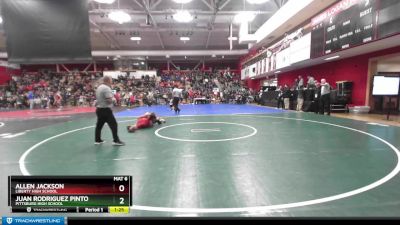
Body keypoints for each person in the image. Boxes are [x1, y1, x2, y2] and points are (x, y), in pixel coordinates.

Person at [94, 76, 125, 146]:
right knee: (114, 125)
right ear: (108, 81)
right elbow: (108, 100)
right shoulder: (106, 88)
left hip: (99, 109)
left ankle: (97, 140)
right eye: (111, 80)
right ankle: (116, 140)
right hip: (105, 110)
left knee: (99, 126)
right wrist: (114, 100)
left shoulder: (99, 87)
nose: (112, 81)